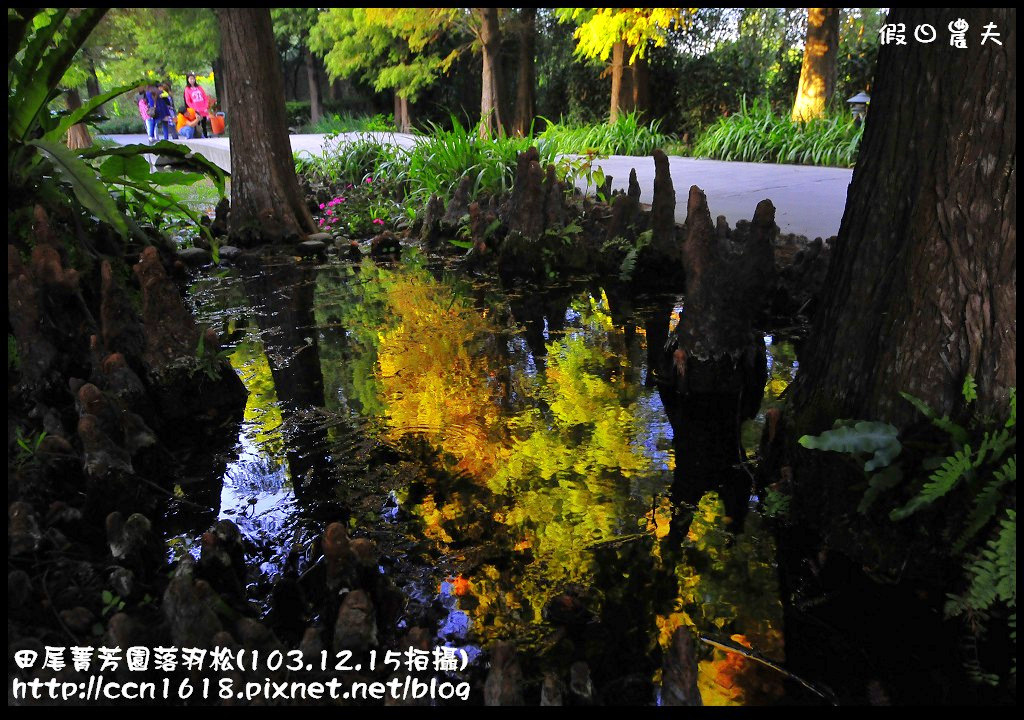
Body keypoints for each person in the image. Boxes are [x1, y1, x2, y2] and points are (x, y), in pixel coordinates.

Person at [182, 73, 211, 139]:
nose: (192, 80)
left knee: (204, 123)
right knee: (197, 123)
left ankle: (205, 136)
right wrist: (194, 109)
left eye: (193, 79)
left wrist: (206, 106)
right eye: (190, 79)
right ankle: (198, 136)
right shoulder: (187, 89)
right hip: (195, 109)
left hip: (203, 108)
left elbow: (205, 97)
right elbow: (188, 101)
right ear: (188, 80)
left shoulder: (199, 87)